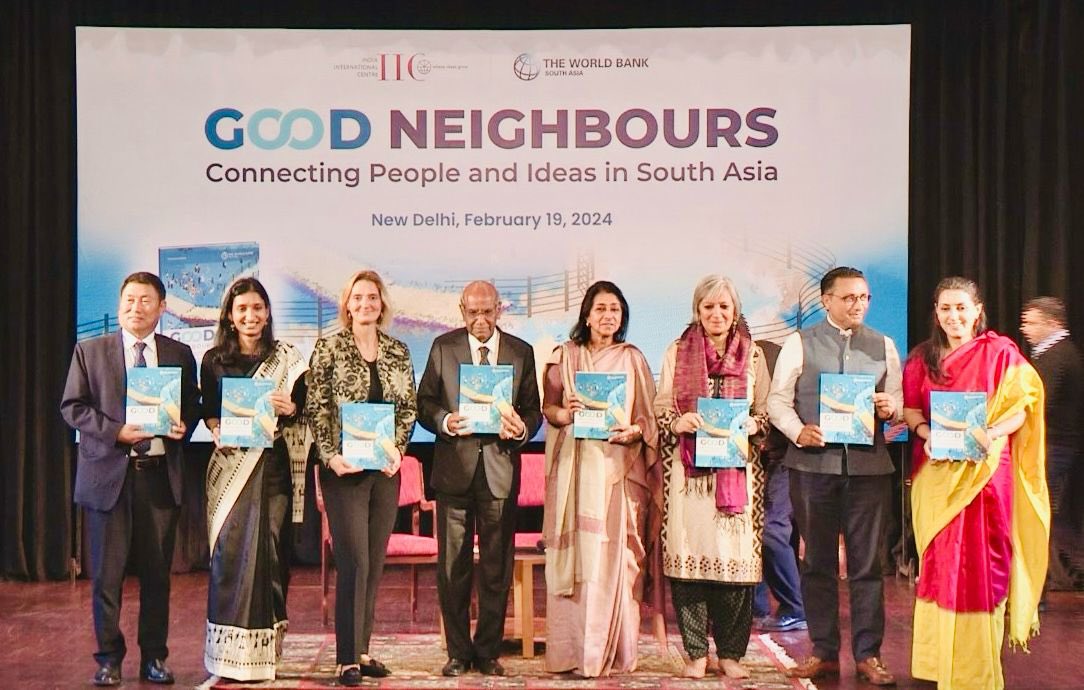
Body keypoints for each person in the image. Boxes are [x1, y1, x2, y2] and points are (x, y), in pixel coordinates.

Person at [903, 277, 1048, 690]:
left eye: (962, 308)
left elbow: (1023, 408)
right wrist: (928, 434)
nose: (954, 316)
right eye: (946, 308)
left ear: (978, 310)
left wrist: (993, 431)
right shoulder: (921, 359)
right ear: (936, 312)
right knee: (941, 564)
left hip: (985, 476)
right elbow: (913, 410)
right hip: (937, 475)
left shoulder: (1000, 355)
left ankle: (975, 669)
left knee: (982, 567)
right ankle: (935, 663)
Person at [60, 272, 200, 687]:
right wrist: (115, 431)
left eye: (145, 300)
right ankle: (108, 659)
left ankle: (154, 658)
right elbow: (72, 407)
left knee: (158, 577)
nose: (135, 307)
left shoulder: (179, 353)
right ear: (120, 304)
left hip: (158, 479)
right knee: (106, 577)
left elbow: (190, 404)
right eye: (129, 299)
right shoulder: (91, 351)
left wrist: (183, 425)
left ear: (161, 308)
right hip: (109, 480)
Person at [766, 266, 901, 686]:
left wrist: (888, 408)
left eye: (864, 298)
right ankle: (823, 652)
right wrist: (797, 431)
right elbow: (776, 401)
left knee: (867, 566)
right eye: (849, 298)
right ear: (826, 301)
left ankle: (868, 654)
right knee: (817, 563)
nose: (858, 304)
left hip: (868, 470)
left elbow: (896, 399)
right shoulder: (800, 343)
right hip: (812, 468)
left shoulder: (884, 344)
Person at [416, 280, 542, 678]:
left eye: (488, 312)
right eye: (473, 312)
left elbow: (533, 411)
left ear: (500, 309)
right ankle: (457, 652)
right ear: (461, 310)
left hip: (500, 472)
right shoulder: (443, 347)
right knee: (452, 567)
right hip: (454, 471)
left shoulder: (521, 352)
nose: (481, 320)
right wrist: (445, 421)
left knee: (495, 568)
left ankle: (487, 651)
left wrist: (521, 428)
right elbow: (425, 404)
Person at [542, 280, 663, 677]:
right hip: (574, 475)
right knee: (578, 560)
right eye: (601, 308)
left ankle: (608, 652)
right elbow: (550, 410)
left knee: (612, 560)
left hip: (617, 475)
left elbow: (648, 419)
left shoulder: (632, 360)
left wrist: (634, 432)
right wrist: (567, 412)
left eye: (615, 309)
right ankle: (571, 653)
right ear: (587, 315)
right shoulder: (565, 357)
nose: (608, 316)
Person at [653, 276, 770, 679]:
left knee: (733, 559)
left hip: (738, 473)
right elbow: (661, 407)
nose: (717, 315)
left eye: (724, 307)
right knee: (690, 558)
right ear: (697, 311)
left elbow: (766, 409)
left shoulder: (753, 356)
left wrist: (755, 426)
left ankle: (731, 654)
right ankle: (696, 653)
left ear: (735, 311)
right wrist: (678, 419)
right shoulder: (677, 352)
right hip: (688, 475)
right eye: (708, 307)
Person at [305, 270, 417, 686]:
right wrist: (330, 457)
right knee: (352, 560)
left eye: (373, 297)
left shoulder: (397, 351)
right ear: (347, 305)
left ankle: (364, 649)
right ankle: (345, 658)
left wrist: (399, 452)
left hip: (384, 472)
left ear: (381, 304)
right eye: (358, 298)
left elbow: (407, 407)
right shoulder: (329, 348)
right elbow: (316, 406)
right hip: (344, 472)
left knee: (373, 562)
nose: (366, 304)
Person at [200, 278, 308, 681]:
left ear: (267, 313)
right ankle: (226, 659)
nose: (250, 316)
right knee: (230, 558)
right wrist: (214, 427)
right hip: (230, 468)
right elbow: (209, 411)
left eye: (257, 308)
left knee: (272, 554)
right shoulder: (213, 359)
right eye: (242, 308)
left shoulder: (287, 358)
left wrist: (291, 405)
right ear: (230, 314)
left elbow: (304, 411)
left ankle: (266, 654)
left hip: (274, 468)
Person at [1021, 296, 1084, 592]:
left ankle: (1061, 573)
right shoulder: (1052, 352)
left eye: (1031, 322)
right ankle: (1062, 572)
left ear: (1053, 323)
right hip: (1052, 444)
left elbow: (1039, 402)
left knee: (1044, 510)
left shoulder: (1059, 355)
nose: (1025, 328)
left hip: (1054, 445)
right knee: (1049, 510)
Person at [752, 337, 807, 632]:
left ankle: (796, 606)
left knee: (772, 531)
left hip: (786, 456)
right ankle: (756, 606)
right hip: (750, 460)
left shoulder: (774, 355)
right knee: (749, 530)